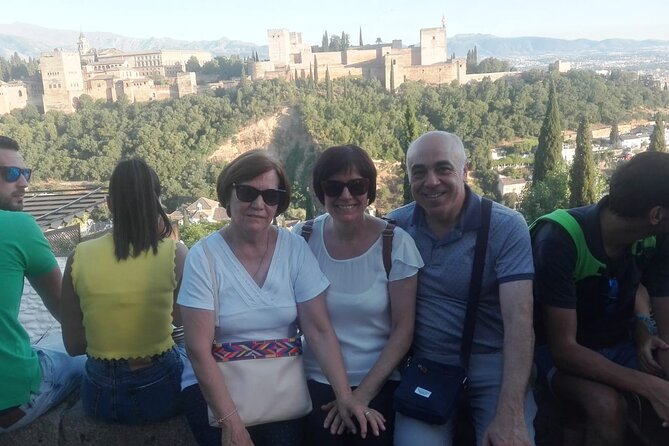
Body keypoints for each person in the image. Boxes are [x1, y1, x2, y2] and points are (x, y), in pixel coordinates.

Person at [178, 149, 373, 446]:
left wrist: (345, 396)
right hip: (214, 389)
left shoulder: (294, 249)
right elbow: (197, 348)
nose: (259, 204)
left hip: (280, 386)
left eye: (270, 196)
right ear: (227, 195)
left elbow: (318, 330)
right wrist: (232, 423)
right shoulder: (203, 257)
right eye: (247, 193)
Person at [387, 131, 536, 446]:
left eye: (443, 169)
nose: (431, 181)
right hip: (427, 366)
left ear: (465, 171)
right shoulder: (396, 228)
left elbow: (519, 320)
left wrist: (510, 413)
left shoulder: (506, 227)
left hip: (493, 362)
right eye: (419, 172)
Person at [532, 151, 669, 445]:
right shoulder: (560, 238)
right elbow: (563, 350)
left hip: (620, 344)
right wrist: (650, 387)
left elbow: (662, 309)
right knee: (605, 405)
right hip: (555, 356)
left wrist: (644, 328)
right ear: (656, 215)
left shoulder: (656, 237)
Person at [293, 145, 423, 445]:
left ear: (370, 190)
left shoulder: (396, 245)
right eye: (334, 186)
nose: (346, 195)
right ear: (320, 191)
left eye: (357, 185)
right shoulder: (302, 238)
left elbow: (403, 330)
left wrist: (358, 398)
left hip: (377, 382)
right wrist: (344, 398)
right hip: (314, 380)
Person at [60, 158, 187, 424]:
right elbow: (181, 322)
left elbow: (73, 346)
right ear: (156, 201)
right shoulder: (175, 253)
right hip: (159, 389)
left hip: (98, 395)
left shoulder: (79, 256)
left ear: (109, 203)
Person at [0, 135, 85, 433]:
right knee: (84, 362)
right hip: (9, 404)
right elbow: (67, 313)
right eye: (10, 174)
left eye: (25, 173)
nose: (23, 183)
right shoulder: (16, 227)